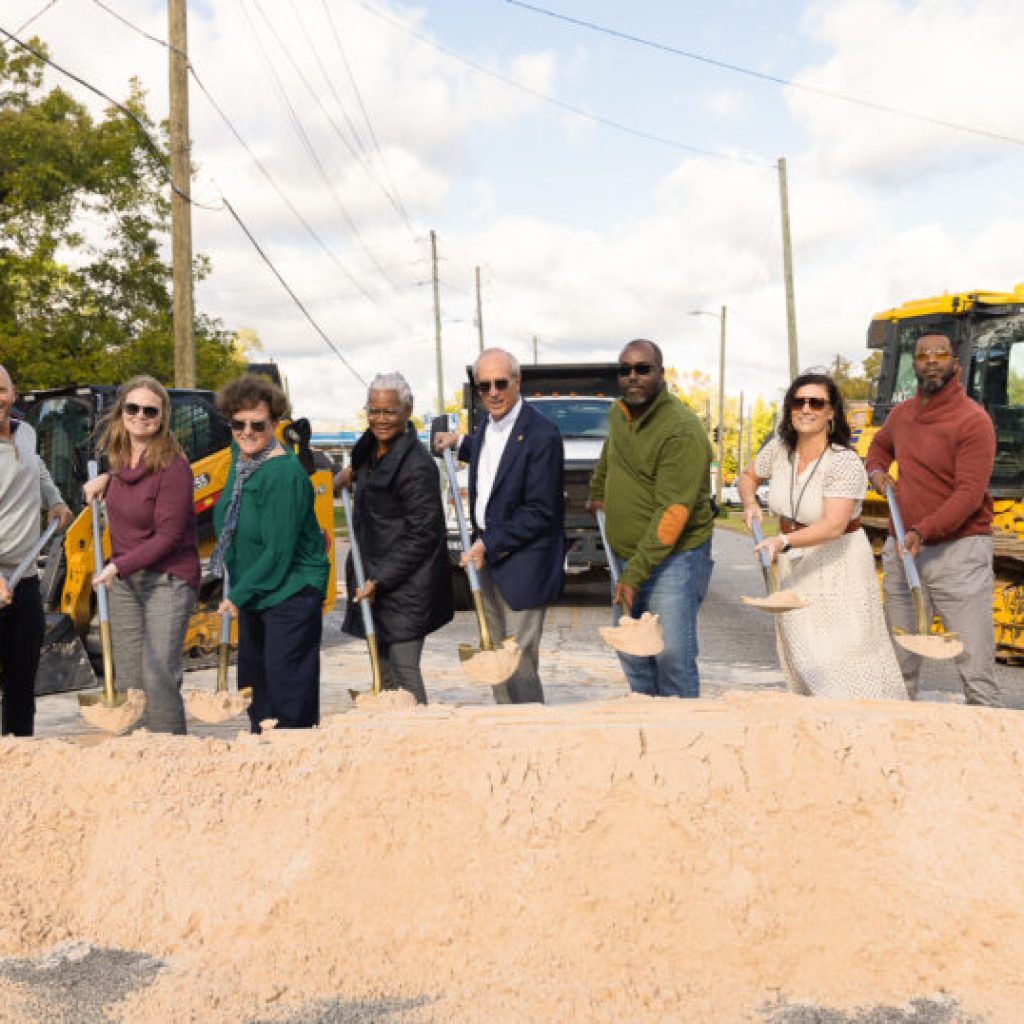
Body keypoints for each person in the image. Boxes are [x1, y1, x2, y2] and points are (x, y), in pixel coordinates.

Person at [738, 371, 906, 700]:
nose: (806, 408)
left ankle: (867, 724)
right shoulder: (779, 450)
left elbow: (833, 525)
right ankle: (820, 729)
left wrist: (782, 541)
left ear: (831, 413)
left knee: (843, 654)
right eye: (798, 401)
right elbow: (748, 476)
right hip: (793, 564)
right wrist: (749, 503)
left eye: (816, 402)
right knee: (804, 653)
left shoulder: (843, 462)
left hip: (837, 565)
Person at [866, 330, 1000, 706]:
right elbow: (879, 446)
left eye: (940, 354)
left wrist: (922, 530)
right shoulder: (902, 414)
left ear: (955, 363)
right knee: (899, 659)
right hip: (903, 549)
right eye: (923, 355)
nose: (931, 360)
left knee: (973, 661)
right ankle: (897, 743)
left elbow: (968, 495)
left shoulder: (973, 421)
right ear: (915, 364)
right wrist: (876, 471)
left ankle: (989, 748)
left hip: (957, 551)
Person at [434, 347, 564, 703]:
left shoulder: (542, 434)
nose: (493, 392)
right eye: (484, 385)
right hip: (488, 560)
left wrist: (488, 543)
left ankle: (528, 731)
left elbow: (540, 510)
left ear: (517, 382)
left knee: (516, 661)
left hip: (522, 563)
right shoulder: (488, 427)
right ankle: (506, 725)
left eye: (501, 383)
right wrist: (459, 443)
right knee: (494, 656)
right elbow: (493, 454)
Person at [589, 339, 714, 698]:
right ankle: (646, 712)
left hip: (675, 557)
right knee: (631, 649)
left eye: (643, 368)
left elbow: (673, 513)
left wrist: (634, 575)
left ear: (661, 373)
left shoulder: (681, 429)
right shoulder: (619, 413)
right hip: (629, 555)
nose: (633, 376)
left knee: (671, 656)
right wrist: (598, 491)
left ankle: (680, 731)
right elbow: (610, 455)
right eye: (625, 370)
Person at [211, 374, 330, 731]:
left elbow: (278, 552)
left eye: (257, 424)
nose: (247, 431)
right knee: (253, 681)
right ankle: (262, 753)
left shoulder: (284, 474)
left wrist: (237, 596)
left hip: (291, 588)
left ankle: (292, 754)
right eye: (238, 423)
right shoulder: (242, 456)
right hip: (259, 587)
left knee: (285, 682)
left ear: (275, 424)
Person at [84, 375, 201, 734]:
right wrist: (106, 477)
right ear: (121, 412)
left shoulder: (174, 466)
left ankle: (170, 757)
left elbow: (168, 537)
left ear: (162, 417)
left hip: (167, 579)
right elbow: (131, 479)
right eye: (132, 408)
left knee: (157, 672)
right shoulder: (120, 458)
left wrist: (116, 565)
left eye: (150, 410)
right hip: (126, 581)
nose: (140, 416)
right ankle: (136, 753)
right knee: (130, 675)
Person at [335, 372, 453, 704]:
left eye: (389, 411)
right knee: (381, 668)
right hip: (375, 575)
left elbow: (423, 534)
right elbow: (370, 479)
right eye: (374, 410)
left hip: (407, 585)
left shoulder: (417, 465)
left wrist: (379, 580)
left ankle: (418, 738)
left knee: (403, 671)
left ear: (407, 410)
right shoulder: (370, 451)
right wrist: (349, 475)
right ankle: (392, 739)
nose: (380, 419)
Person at [0, 364, 73, 736]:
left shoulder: (25, 432)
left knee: (22, 680)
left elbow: (39, 469)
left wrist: (56, 501)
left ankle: (19, 753)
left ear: (12, 393)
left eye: (1, 389)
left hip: (25, 579)